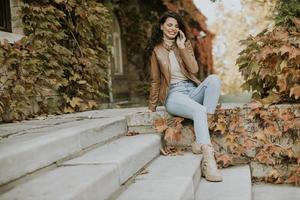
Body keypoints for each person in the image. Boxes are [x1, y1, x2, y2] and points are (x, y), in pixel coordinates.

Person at [145, 11, 222, 182]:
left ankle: (199, 141)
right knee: (199, 109)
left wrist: (181, 47)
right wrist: (152, 107)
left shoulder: (184, 45)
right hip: (174, 94)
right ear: (162, 27)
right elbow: (155, 81)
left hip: (191, 91)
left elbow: (194, 70)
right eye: (169, 25)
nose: (173, 28)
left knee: (214, 80)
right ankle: (208, 160)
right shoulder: (156, 51)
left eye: (176, 26)